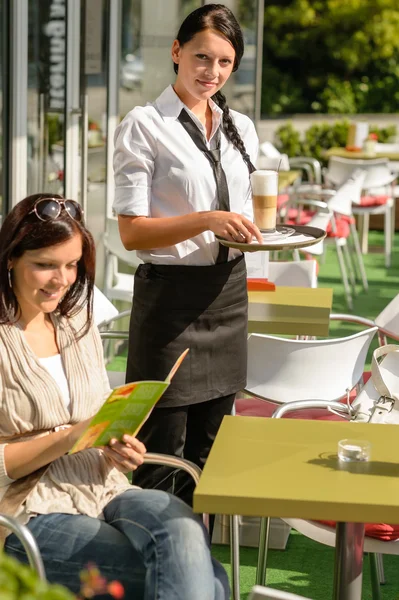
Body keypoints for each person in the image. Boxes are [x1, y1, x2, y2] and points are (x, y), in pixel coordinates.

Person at [0, 193, 229, 600]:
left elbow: (96, 416)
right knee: (204, 577)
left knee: (182, 529)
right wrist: (70, 437)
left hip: (104, 486)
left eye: (71, 265)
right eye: (45, 266)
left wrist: (115, 447)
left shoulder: (76, 323)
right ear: (10, 260)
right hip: (26, 510)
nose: (62, 280)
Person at [113, 3, 262, 505]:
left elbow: (240, 212)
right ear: (176, 52)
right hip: (171, 305)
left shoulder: (239, 124)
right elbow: (132, 233)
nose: (212, 72)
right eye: (202, 57)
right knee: (161, 455)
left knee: (214, 453)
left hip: (227, 295)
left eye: (224, 62)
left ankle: (204, 570)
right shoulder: (144, 124)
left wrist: (253, 228)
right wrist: (206, 219)